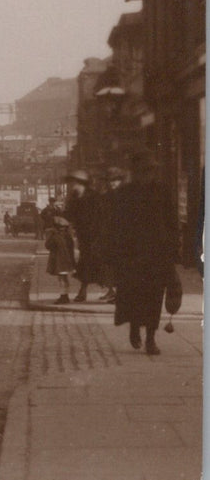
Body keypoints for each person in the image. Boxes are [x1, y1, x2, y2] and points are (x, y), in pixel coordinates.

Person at [105, 152, 174, 355]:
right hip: (131, 254)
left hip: (156, 252)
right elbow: (114, 224)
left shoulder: (162, 191)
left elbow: (171, 221)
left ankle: (151, 339)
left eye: (151, 171)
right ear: (136, 173)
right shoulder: (125, 193)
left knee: (154, 297)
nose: (148, 175)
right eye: (144, 171)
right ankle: (135, 329)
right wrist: (113, 252)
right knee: (133, 295)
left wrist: (172, 248)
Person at [92, 166, 126, 303]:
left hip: (120, 235)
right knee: (107, 265)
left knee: (119, 265)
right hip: (106, 234)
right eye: (111, 181)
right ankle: (111, 291)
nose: (113, 183)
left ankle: (119, 294)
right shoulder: (107, 196)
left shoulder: (125, 196)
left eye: (115, 180)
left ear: (120, 181)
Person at [64, 169, 97, 302]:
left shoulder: (93, 197)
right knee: (89, 263)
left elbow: (100, 216)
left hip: (96, 235)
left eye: (74, 183)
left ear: (81, 183)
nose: (72, 186)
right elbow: (69, 215)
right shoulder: (75, 198)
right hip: (84, 237)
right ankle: (84, 291)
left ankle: (83, 291)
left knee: (99, 264)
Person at [45, 215, 77, 304]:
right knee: (64, 279)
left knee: (62, 279)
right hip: (67, 261)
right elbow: (71, 249)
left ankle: (64, 297)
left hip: (59, 261)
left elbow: (48, 245)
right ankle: (65, 296)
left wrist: (50, 235)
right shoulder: (68, 236)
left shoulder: (56, 236)